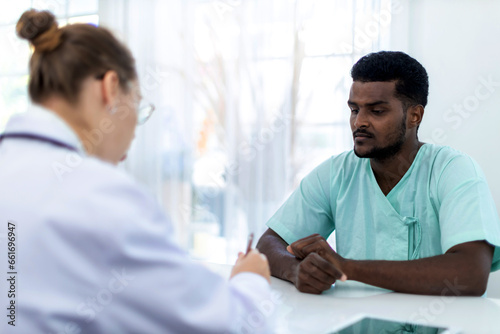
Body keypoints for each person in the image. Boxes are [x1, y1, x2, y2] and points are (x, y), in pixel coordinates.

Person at [0, 9, 271, 334]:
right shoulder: (100, 196)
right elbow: (230, 326)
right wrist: (251, 281)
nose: (134, 133)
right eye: (138, 108)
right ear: (111, 89)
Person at [256, 51, 500, 296]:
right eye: (354, 109)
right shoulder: (336, 173)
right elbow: (269, 243)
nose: (359, 122)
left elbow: (471, 273)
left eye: (376, 111)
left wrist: (346, 267)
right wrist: (296, 271)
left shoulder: (453, 170)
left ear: (415, 116)